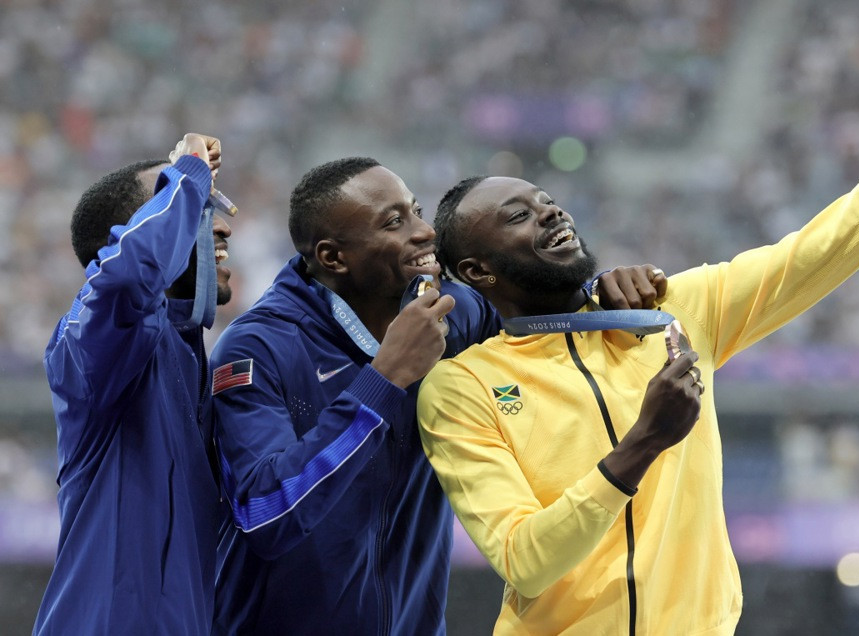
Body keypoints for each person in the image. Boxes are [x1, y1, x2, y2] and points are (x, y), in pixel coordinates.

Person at [416, 34, 859, 635]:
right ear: (477, 271)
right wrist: (644, 444)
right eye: (518, 216)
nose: (552, 212)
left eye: (547, 201)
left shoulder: (671, 311)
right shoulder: (462, 388)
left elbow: (823, 249)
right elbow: (524, 560)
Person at [208, 157, 663, 634]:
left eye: (417, 211)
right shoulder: (258, 348)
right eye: (394, 222)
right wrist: (382, 380)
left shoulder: (458, 312)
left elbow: (541, 319)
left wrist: (598, 291)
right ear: (333, 257)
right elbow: (263, 514)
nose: (425, 232)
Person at [34, 133, 235, 635]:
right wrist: (187, 176)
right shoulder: (86, 344)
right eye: (200, 211)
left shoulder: (189, 357)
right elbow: (126, 280)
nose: (223, 226)